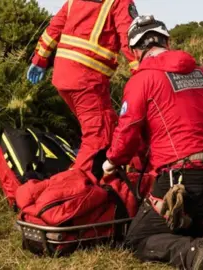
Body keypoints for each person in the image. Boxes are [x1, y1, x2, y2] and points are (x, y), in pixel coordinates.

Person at [102, 15, 203, 269]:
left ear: (135, 50)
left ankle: (193, 252)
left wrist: (111, 162)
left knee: (137, 238)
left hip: (184, 183)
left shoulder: (142, 80)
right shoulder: (202, 75)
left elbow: (127, 130)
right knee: (190, 220)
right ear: (167, 40)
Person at [26, 0, 140, 181]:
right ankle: (73, 187)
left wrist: (40, 59)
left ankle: (127, 173)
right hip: (88, 79)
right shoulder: (119, 2)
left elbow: (54, 28)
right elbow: (131, 38)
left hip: (63, 76)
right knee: (97, 135)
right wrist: (143, 72)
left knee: (109, 124)